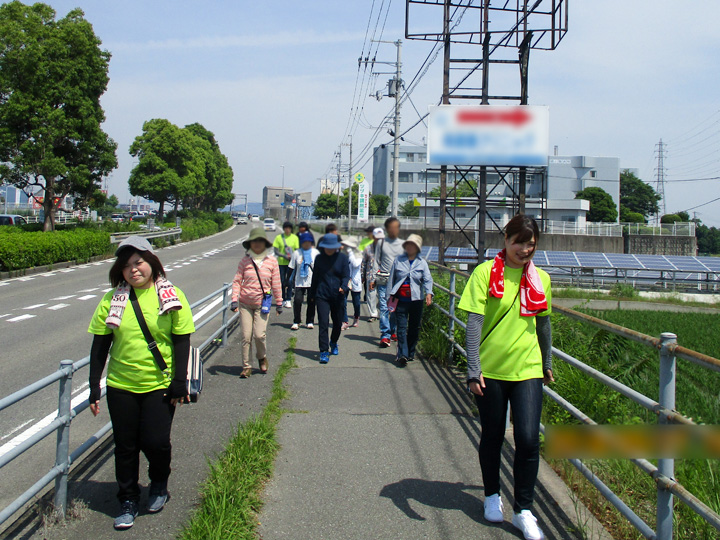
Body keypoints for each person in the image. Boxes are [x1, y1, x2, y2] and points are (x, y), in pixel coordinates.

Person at [87, 236, 195, 530]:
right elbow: (100, 346)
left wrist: (179, 381)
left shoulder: (171, 295)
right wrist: (94, 385)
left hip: (159, 384)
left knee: (156, 442)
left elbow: (181, 340)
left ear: (152, 263)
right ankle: (128, 498)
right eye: (126, 266)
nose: (133, 270)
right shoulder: (111, 300)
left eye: (139, 263)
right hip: (121, 384)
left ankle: (159, 482)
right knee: (125, 446)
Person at [458, 214, 553, 540]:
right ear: (506, 240)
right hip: (490, 371)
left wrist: (548, 361)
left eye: (530, 244)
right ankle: (491, 496)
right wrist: (473, 369)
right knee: (493, 435)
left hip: (527, 368)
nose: (524, 249)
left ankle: (523, 510)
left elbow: (543, 325)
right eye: (518, 242)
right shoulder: (485, 273)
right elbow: (473, 325)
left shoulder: (541, 278)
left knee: (528, 439)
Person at [231, 228, 283, 378]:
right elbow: (237, 281)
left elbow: (276, 283)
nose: (257, 244)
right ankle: (246, 366)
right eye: (254, 241)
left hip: (262, 304)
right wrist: (234, 300)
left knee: (259, 335)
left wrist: (279, 303)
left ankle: (262, 357)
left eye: (260, 241)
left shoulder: (271, 261)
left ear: (265, 243)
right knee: (246, 336)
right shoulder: (245, 261)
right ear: (250, 244)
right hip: (245, 304)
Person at [386, 234, 433, 367]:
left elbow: (428, 279)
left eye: (413, 245)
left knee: (414, 327)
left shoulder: (422, 262)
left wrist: (429, 293)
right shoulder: (398, 260)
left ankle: (410, 352)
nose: (410, 247)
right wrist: (388, 297)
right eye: (408, 245)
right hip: (401, 299)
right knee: (401, 327)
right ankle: (403, 354)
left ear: (417, 248)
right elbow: (392, 279)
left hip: (416, 299)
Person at [309, 233, 349, 364]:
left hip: (338, 295)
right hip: (322, 295)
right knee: (323, 323)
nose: (329, 250)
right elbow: (315, 278)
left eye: (332, 247)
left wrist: (343, 287)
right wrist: (312, 295)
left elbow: (345, 276)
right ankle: (324, 351)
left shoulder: (342, 259)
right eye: (327, 247)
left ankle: (334, 342)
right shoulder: (319, 259)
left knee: (337, 323)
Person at [370, 217, 404, 347]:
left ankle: (392, 330)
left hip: (397, 282)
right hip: (383, 279)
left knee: (393, 308)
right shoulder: (381, 243)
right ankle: (385, 335)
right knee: (384, 308)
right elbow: (376, 261)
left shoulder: (403, 244)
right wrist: (373, 279)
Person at [288, 231, 319, 330]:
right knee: (297, 301)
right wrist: (286, 280)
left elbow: (320, 268)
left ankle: (310, 321)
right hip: (299, 281)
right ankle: (296, 321)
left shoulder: (316, 253)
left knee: (311, 301)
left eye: (308, 242)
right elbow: (291, 267)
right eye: (304, 242)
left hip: (312, 281)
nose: (306, 243)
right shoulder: (296, 253)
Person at [273, 221, 299, 309]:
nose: (287, 230)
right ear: (284, 229)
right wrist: (284, 255)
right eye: (286, 228)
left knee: (290, 281)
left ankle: (288, 299)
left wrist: (293, 256)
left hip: (291, 263)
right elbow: (276, 251)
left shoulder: (295, 238)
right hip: (281, 263)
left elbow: (298, 250)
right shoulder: (279, 238)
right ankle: (283, 298)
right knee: (282, 281)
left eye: (289, 228)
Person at [361, 227, 383, 322]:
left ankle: (383, 313)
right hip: (370, 274)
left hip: (383, 275)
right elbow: (363, 262)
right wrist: (362, 275)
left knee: (382, 296)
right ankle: (373, 314)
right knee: (371, 295)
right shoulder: (368, 247)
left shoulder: (385, 248)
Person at [340, 237, 362, 329]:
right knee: (343, 301)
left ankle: (356, 317)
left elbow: (355, 264)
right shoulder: (343, 254)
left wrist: (350, 253)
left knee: (356, 303)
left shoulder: (359, 254)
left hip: (355, 281)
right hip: (345, 280)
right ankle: (345, 321)